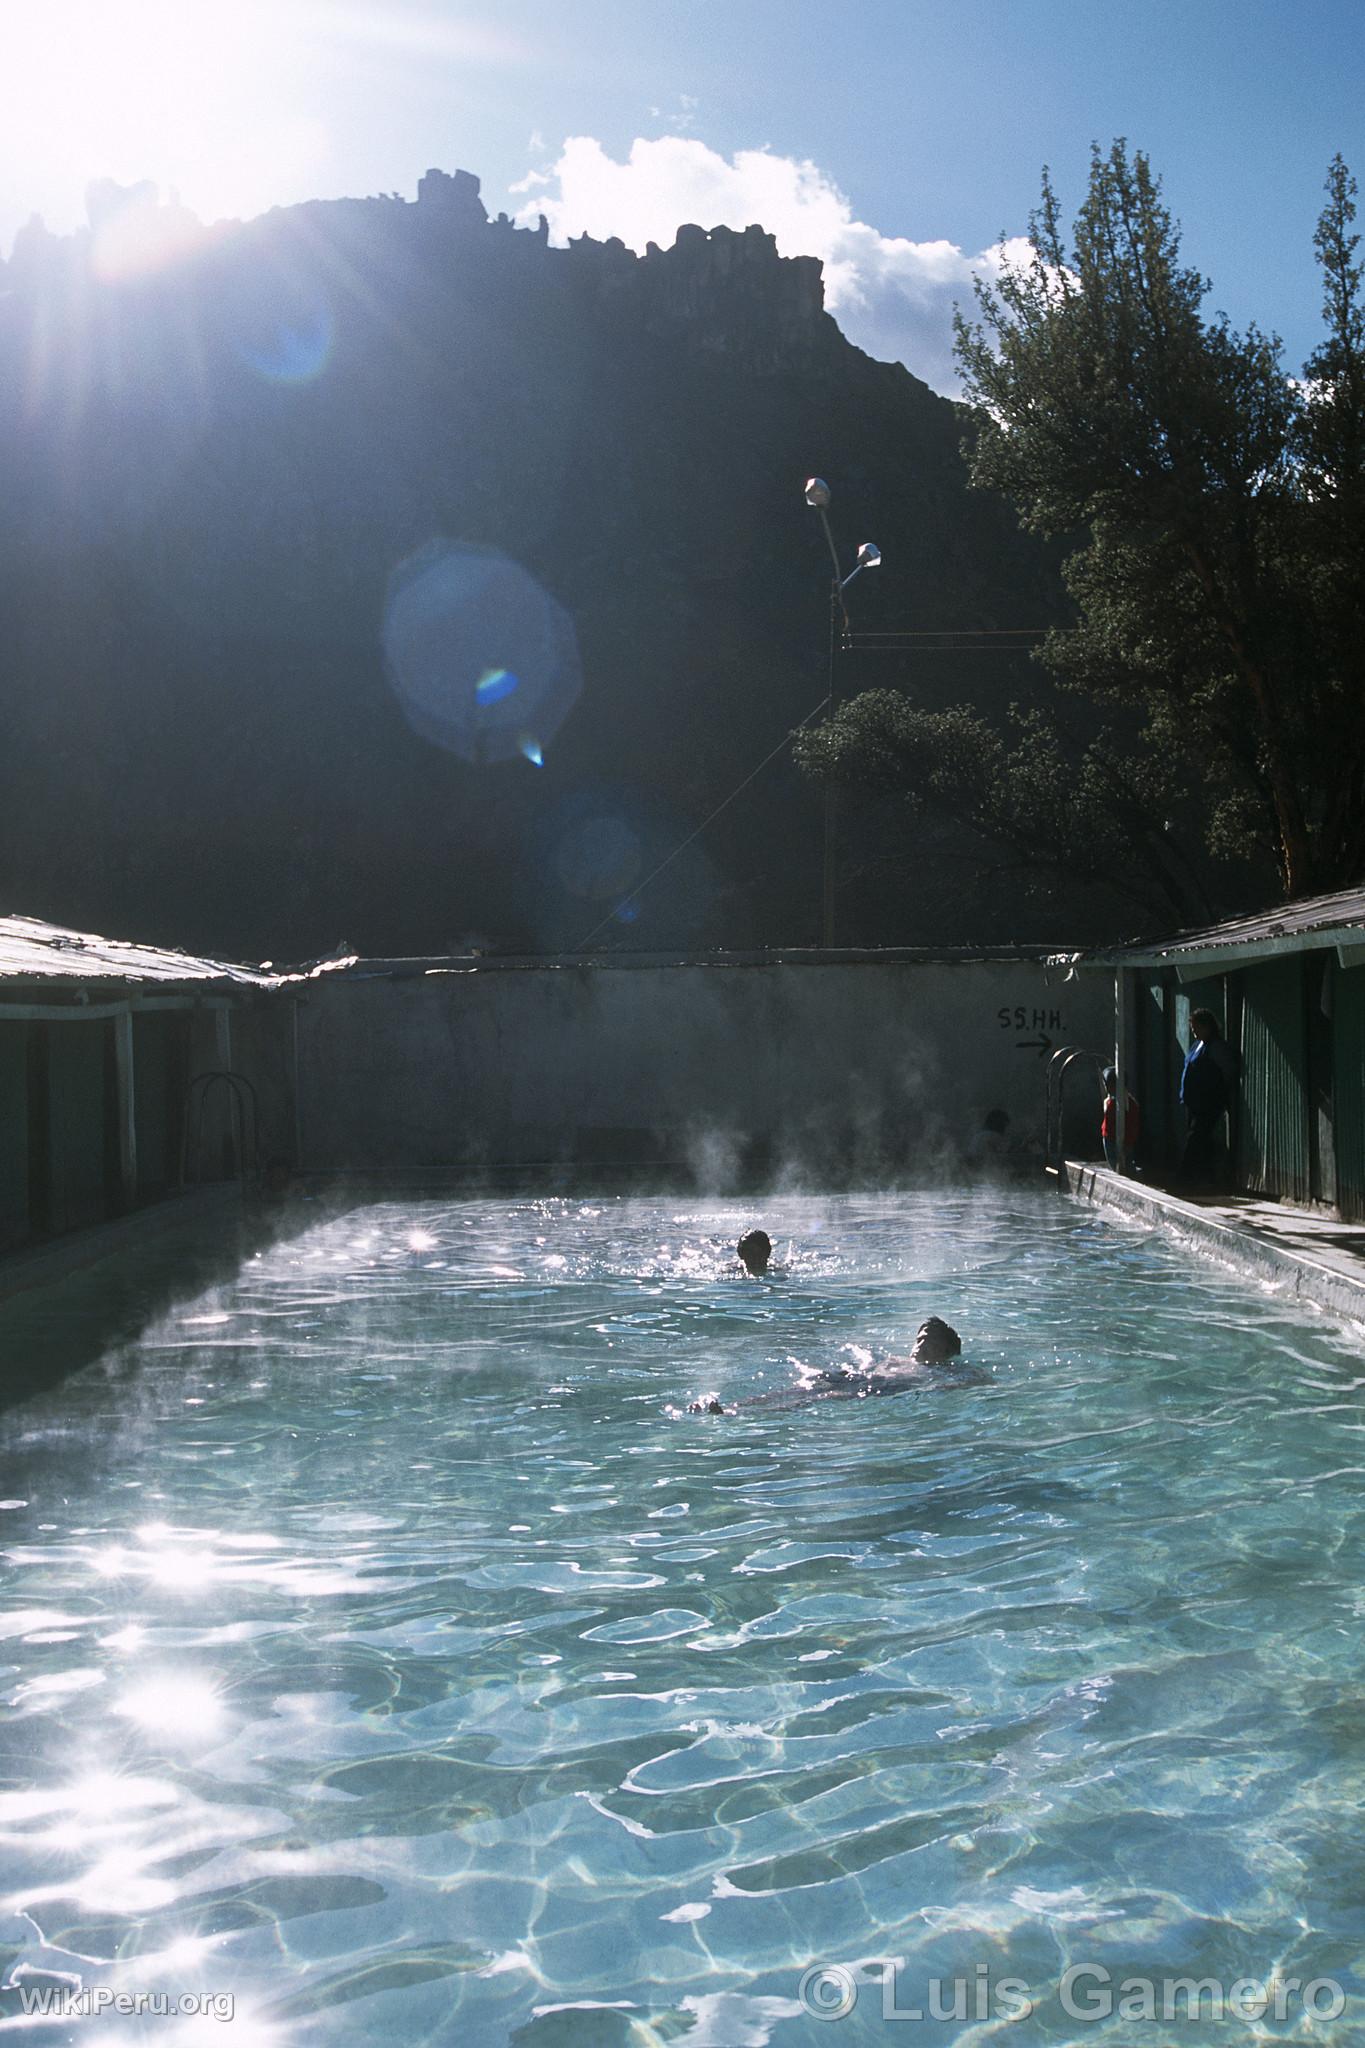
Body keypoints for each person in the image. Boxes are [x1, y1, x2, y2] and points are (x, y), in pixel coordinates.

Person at [685, 1317, 980, 1415]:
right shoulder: (898, 1359)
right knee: (810, 1384)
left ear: (945, 1349)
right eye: (918, 1337)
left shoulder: (945, 1369)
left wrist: (947, 1385)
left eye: (927, 1339)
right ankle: (737, 1405)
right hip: (861, 1380)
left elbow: (981, 1381)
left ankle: (735, 1415)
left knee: (821, 1398)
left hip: (879, 1390)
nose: (919, 1343)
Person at [1179, 1008, 1232, 1187]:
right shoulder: (1198, 1045)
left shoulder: (1216, 1046)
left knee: (1196, 1138)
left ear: (1207, 1026)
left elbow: (1227, 1073)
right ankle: (1202, 1176)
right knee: (1199, 1139)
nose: (1194, 1031)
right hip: (1193, 1102)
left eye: (1196, 1028)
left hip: (1207, 1102)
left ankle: (1185, 1176)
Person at [1100, 1069, 1140, 1170]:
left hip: (1116, 1139)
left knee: (1119, 1163)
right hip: (1118, 1138)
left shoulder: (1118, 1103)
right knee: (1123, 1163)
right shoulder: (1127, 1101)